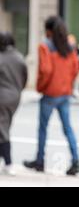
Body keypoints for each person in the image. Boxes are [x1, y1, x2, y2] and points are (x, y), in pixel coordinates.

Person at [23, 16, 79, 176]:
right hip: (65, 94)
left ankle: (40, 161)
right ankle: (76, 160)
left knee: (42, 128)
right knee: (67, 128)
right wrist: (68, 84)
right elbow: (76, 68)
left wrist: (40, 87)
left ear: (48, 30)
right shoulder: (69, 46)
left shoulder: (45, 46)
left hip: (50, 94)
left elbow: (46, 70)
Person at [0, 32, 27, 176]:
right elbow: (24, 78)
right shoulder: (19, 57)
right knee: (4, 126)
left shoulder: (1, 58)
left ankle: (9, 163)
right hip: (15, 97)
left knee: (3, 130)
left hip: (2, 97)